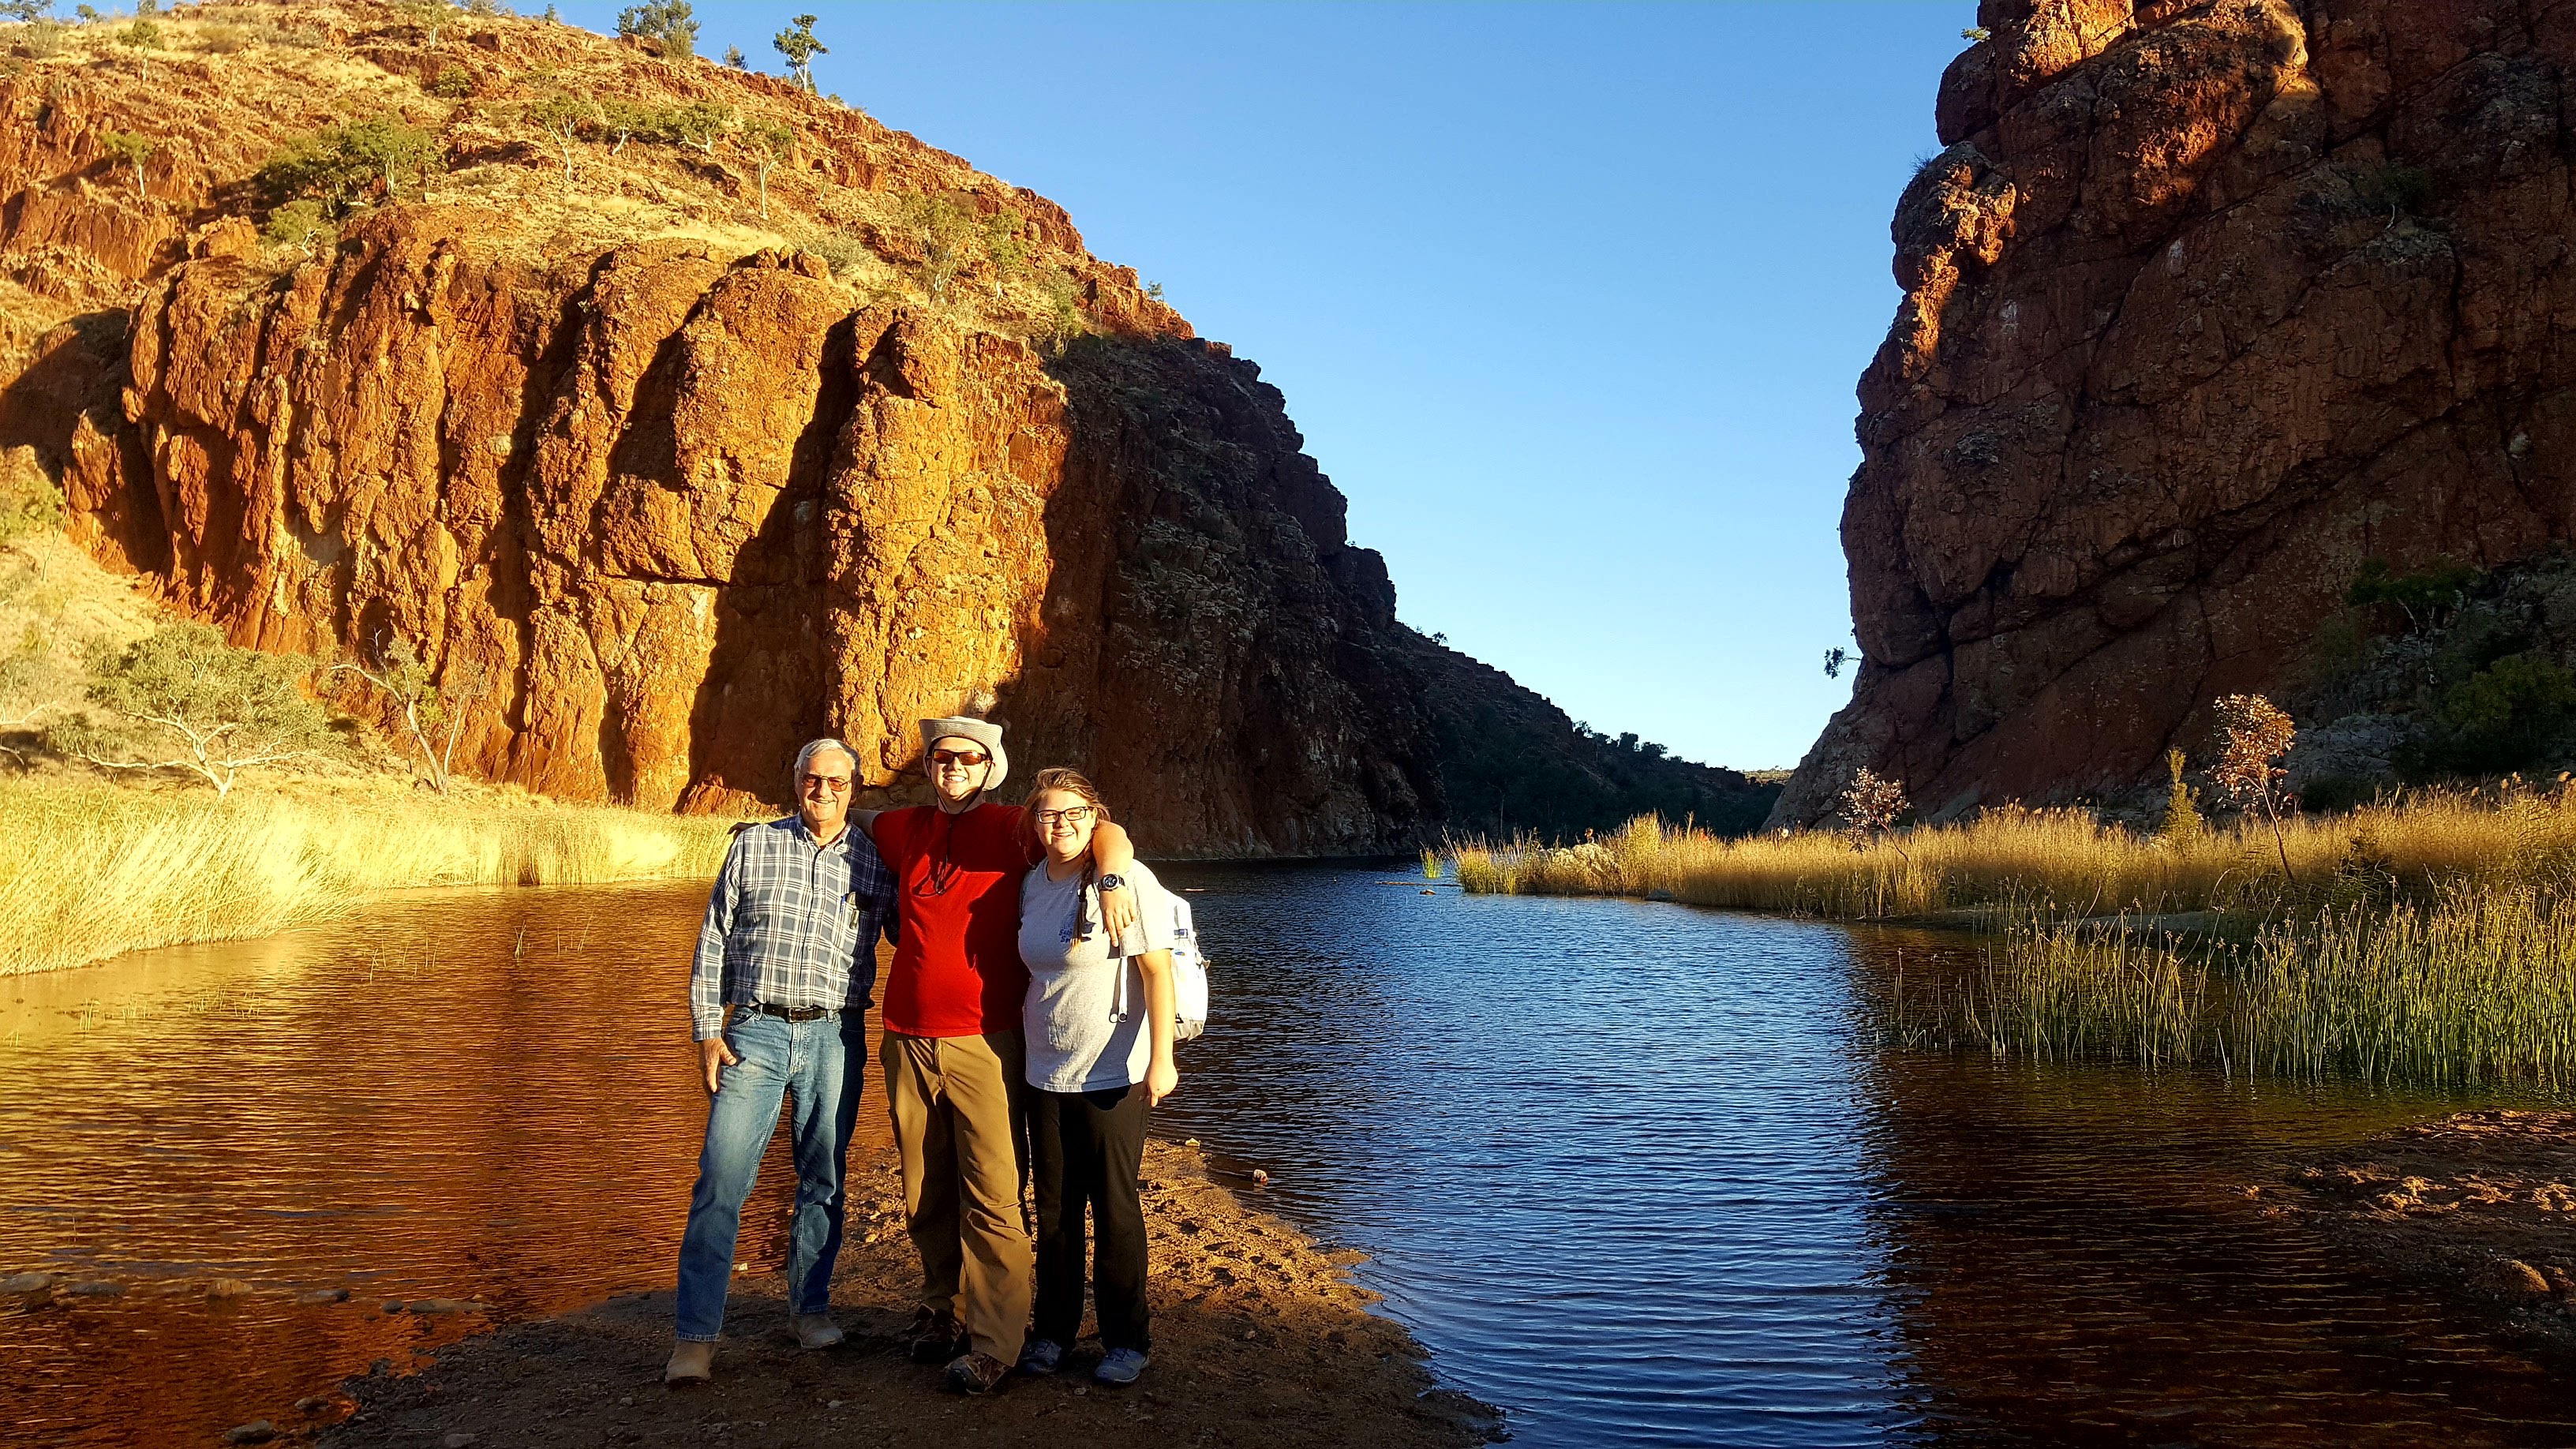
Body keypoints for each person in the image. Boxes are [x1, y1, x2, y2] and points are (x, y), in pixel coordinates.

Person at [850, 715, 1140, 1395]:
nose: (954, 768)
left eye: (969, 759)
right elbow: (850, 815)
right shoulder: (905, 827)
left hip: (986, 1038)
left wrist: (1114, 879)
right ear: (929, 765)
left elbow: (1106, 831)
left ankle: (995, 1343)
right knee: (925, 1188)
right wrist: (791, 817)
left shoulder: (1015, 828)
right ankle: (939, 1309)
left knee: (992, 1192)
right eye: (943, 758)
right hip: (905, 1035)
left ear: (990, 768)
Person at [667, 738, 897, 1385]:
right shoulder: (753, 845)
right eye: (812, 779)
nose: (822, 791)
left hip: (836, 1035)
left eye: (836, 782)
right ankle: (694, 1339)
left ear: (855, 789)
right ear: (796, 781)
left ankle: (810, 1312)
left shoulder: (874, 861)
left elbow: (917, 934)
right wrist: (707, 1031)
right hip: (755, 1032)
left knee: (824, 1179)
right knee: (721, 1181)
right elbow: (713, 937)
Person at [1011, 768, 1178, 1387]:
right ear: (1035, 822)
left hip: (1113, 1073)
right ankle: (1052, 1333)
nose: (1062, 824)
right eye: (1049, 814)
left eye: (1075, 813)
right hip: (1044, 1071)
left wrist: (1162, 1059)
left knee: (1114, 1209)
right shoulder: (1032, 884)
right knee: (1055, 1211)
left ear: (1095, 817)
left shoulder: (1125, 879)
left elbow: (1158, 974)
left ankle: (1127, 1341)